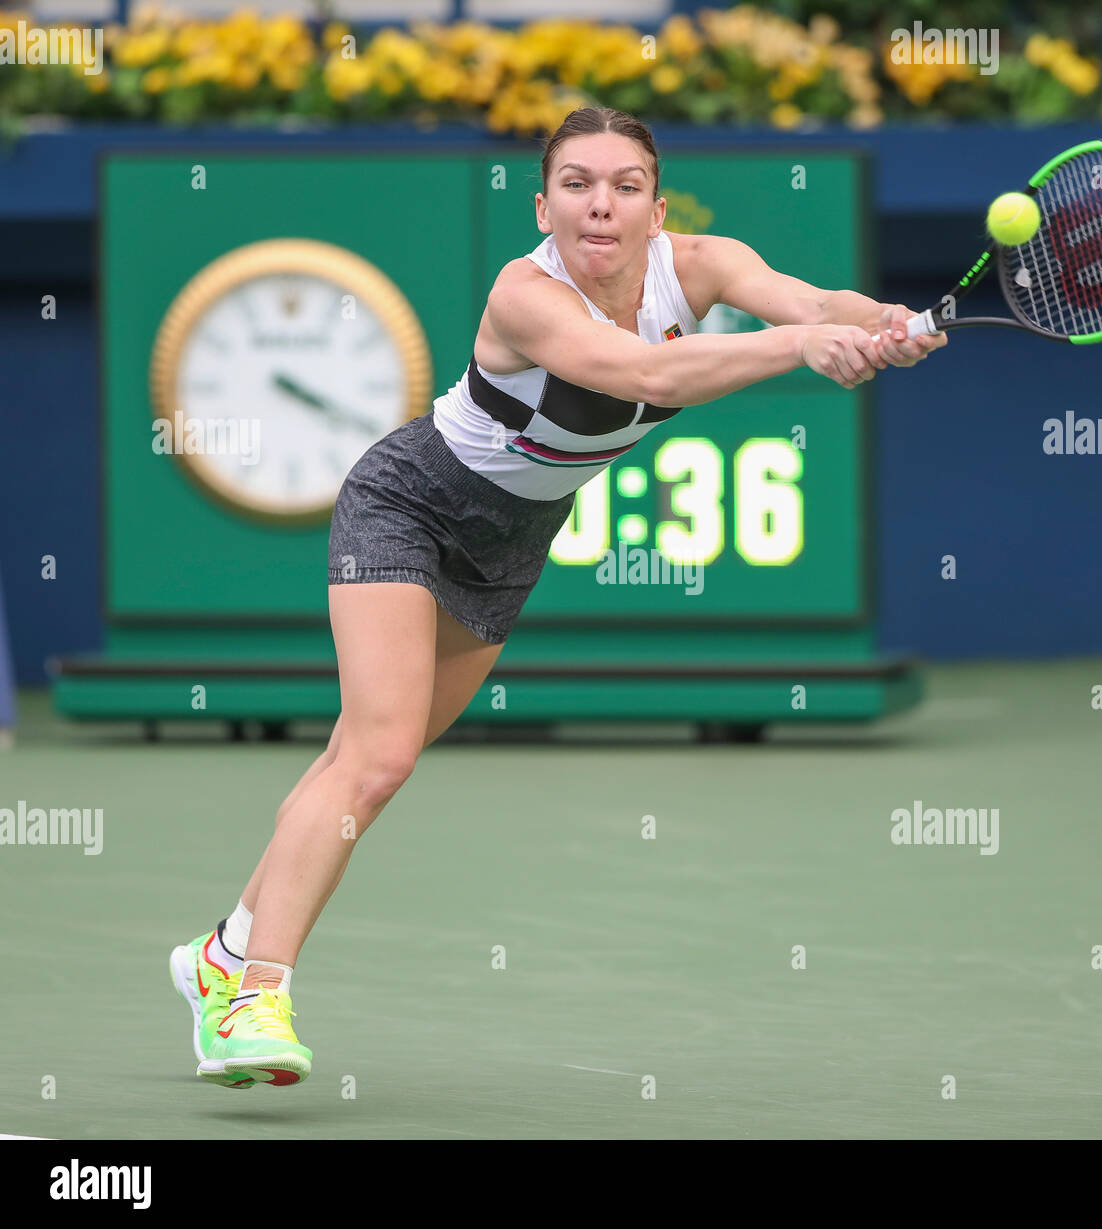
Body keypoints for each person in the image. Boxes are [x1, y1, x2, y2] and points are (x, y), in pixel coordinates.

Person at [169, 105, 946, 1089]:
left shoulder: (702, 263)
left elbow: (805, 297)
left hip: (513, 542)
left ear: (658, 209)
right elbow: (643, 370)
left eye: (625, 185)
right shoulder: (523, 293)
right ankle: (254, 998)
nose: (600, 204)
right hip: (408, 504)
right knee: (376, 756)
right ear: (543, 204)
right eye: (576, 183)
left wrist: (874, 322)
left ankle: (223, 951)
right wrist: (798, 348)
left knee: (362, 762)